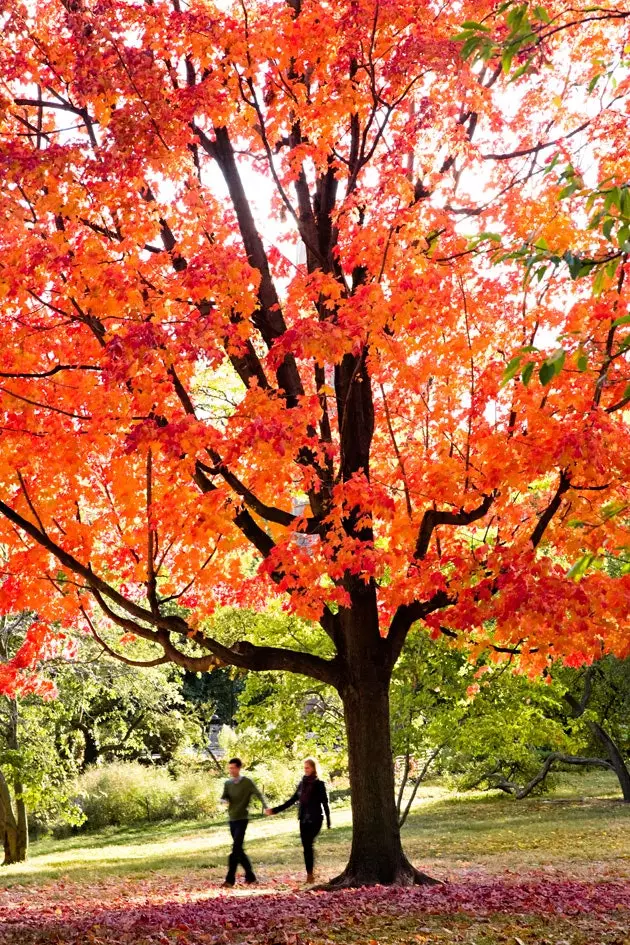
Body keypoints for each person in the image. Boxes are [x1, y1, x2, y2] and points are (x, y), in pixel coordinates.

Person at [265, 758, 330, 884]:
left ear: (314, 768)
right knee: (306, 847)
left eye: (308, 767)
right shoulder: (302, 784)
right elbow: (291, 800)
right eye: (304, 767)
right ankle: (310, 874)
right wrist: (274, 810)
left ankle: (311, 874)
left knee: (309, 844)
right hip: (303, 819)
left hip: (315, 818)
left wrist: (328, 820)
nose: (305, 770)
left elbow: (325, 802)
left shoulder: (319, 784)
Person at [221, 757, 266, 887]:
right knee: (238, 850)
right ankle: (251, 877)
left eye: (233, 768)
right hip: (232, 819)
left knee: (235, 849)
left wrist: (266, 807)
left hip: (242, 819)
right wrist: (224, 800)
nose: (231, 770)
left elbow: (259, 794)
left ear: (239, 768)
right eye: (229, 768)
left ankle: (230, 880)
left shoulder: (247, 782)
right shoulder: (228, 783)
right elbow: (224, 796)